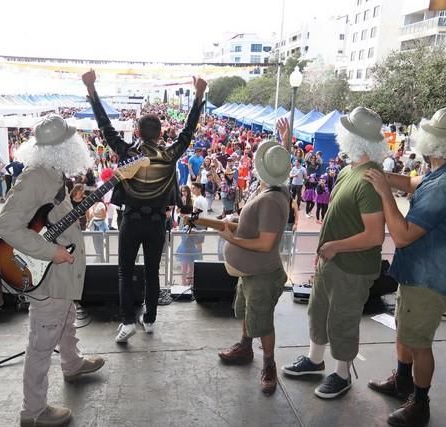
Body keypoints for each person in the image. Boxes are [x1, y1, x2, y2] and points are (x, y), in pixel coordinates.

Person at [364, 108, 446, 427]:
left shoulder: (443, 186)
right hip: (419, 271)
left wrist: (384, 192)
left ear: (434, 141)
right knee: (405, 331)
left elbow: (402, 236)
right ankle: (402, 381)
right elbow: (414, 182)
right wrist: (378, 173)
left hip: (429, 277)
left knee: (418, 343)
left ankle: (420, 402)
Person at [0, 114, 104, 427]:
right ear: (63, 146)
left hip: (60, 277)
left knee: (66, 321)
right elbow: (5, 225)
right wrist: (51, 251)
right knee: (41, 344)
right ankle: (33, 411)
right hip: (48, 276)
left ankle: (72, 363)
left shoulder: (53, 174)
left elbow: (45, 220)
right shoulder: (36, 178)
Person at [83, 69, 207, 342]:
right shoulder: (171, 154)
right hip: (156, 224)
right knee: (152, 273)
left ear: (137, 131)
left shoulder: (128, 153)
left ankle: (127, 321)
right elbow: (188, 131)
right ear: (161, 132)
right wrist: (198, 96)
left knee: (124, 273)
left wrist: (92, 91)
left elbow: (105, 127)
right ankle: (149, 319)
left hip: (131, 221)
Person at [282, 107, 388, 400]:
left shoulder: (368, 179)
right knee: (319, 311)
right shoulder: (347, 170)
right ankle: (315, 359)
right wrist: (326, 250)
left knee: (342, 319)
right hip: (332, 261)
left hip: (352, 267)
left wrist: (334, 246)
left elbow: (375, 235)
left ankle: (342, 374)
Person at [217, 141, 291, 395]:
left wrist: (232, 239)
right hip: (251, 272)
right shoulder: (274, 189)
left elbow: (265, 243)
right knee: (249, 313)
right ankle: (245, 347)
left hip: (262, 274)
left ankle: (269, 365)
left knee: (262, 320)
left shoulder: (270, 200)